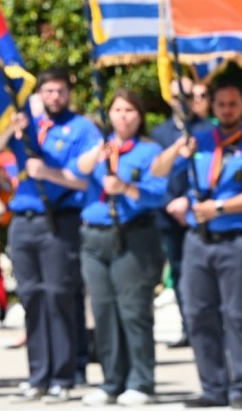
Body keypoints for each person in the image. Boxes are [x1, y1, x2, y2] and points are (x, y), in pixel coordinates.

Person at [153, 80, 242, 409]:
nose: (227, 110)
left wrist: (219, 208)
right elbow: (157, 171)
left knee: (239, 315)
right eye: (221, 104)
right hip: (198, 240)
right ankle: (213, 386)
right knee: (198, 313)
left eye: (233, 104)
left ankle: (240, 387)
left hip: (239, 239)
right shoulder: (199, 141)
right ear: (212, 108)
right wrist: (178, 149)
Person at [4, 67, 100, 404]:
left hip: (59, 220)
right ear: (39, 94)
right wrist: (12, 129)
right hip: (23, 220)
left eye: (60, 91)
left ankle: (63, 375)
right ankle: (38, 375)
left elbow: (86, 180)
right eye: (48, 91)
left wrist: (49, 173)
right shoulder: (27, 126)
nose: (54, 97)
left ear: (69, 93)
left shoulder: (82, 129)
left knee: (59, 296)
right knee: (31, 297)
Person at [76, 89, 167, 407]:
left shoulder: (149, 151)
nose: (123, 116)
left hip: (132, 234)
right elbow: (79, 170)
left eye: (130, 110)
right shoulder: (100, 147)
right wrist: (96, 155)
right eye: (117, 110)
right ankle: (112, 380)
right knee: (103, 311)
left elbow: (158, 193)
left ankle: (141, 380)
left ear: (140, 115)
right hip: (94, 235)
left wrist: (126, 188)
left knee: (133, 310)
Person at [149, 77, 213, 349]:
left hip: (199, 211)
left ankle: (209, 328)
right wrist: (170, 203)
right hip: (169, 214)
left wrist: (188, 200)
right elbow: (155, 173)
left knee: (204, 273)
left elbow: (212, 172)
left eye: (188, 95)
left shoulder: (208, 130)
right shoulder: (159, 133)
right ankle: (189, 328)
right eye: (178, 96)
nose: (184, 102)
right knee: (178, 272)